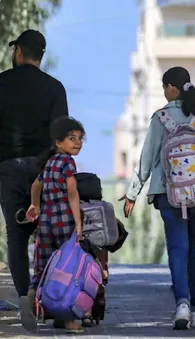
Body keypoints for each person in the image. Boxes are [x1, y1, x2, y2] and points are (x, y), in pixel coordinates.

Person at [119, 67, 195, 329]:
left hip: (169, 193)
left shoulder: (161, 117)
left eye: (165, 86)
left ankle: (182, 305)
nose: (164, 91)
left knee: (178, 249)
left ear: (171, 88)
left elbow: (147, 158)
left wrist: (133, 192)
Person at [0, 29, 68, 320]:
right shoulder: (55, 88)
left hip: (7, 166)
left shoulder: (1, 83)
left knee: (16, 237)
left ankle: (24, 295)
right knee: (50, 234)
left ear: (18, 52)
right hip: (44, 170)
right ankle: (53, 298)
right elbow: (62, 136)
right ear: (41, 56)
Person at [21, 117, 85, 333]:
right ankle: (69, 321)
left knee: (43, 267)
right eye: (71, 138)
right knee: (66, 269)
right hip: (64, 221)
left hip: (45, 222)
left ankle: (30, 299)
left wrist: (34, 206)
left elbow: (36, 185)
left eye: (79, 139)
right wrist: (78, 224)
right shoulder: (67, 162)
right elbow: (73, 193)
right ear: (59, 142)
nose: (77, 142)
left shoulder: (49, 162)